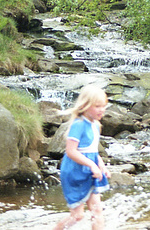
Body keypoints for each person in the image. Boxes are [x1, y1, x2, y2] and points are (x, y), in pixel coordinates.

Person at [54, 86, 111, 230]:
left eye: (103, 106)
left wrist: (101, 166)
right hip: (74, 171)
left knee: (97, 210)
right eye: (97, 106)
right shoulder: (78, 125)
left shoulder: (96, 125)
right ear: (85, 105)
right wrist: (92, 165)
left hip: (90, 169)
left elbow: (92, 151)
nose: (101, 110)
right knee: (77, 215)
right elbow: (71, 151)